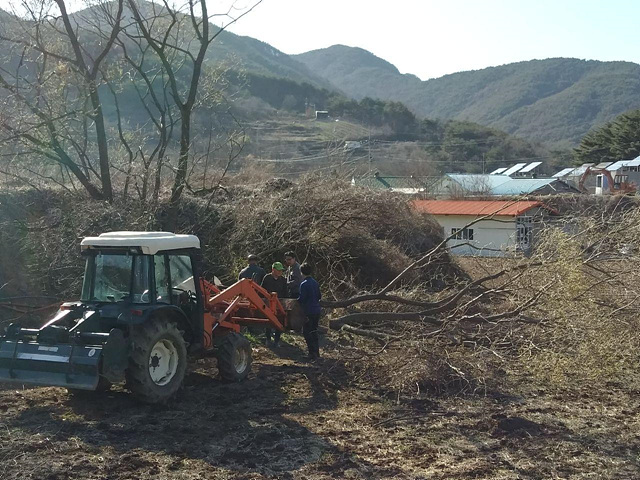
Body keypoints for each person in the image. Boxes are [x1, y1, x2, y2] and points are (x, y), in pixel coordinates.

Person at [297, 263, 322, 360]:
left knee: (307, 332)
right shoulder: (315, 282)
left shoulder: (304, 284)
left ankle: (311, 353)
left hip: (308, 311)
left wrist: (295, 302)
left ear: (301, 272)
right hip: (316, 310)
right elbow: (319, 296)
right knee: (314, 331)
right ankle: (316, 352)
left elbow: (302, 299)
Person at [261, 262, 287, 347]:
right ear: (273, 270)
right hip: (268, 303)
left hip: (280, 303)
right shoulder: (267, 278)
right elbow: (262, 290)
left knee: (279, 321)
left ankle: (277, 341)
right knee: (268, 321)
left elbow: (285, 292)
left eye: (281, 270)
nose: (280, 272)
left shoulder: (283, 280)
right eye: (278, 270)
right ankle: (268, 339)